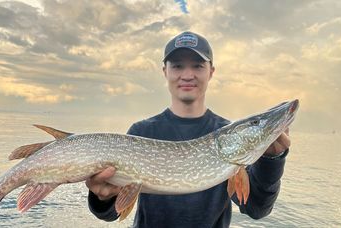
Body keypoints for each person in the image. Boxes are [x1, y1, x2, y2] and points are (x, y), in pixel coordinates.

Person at [86, 31, 290, 228]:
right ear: (165, 71)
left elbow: (257, 209)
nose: (187, 75)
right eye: (177, 66)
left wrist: (272, 160)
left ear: (211, 71)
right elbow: (112, 212)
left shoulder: (224, 135)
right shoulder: (141, 131)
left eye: (198, 65)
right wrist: (102, 197)